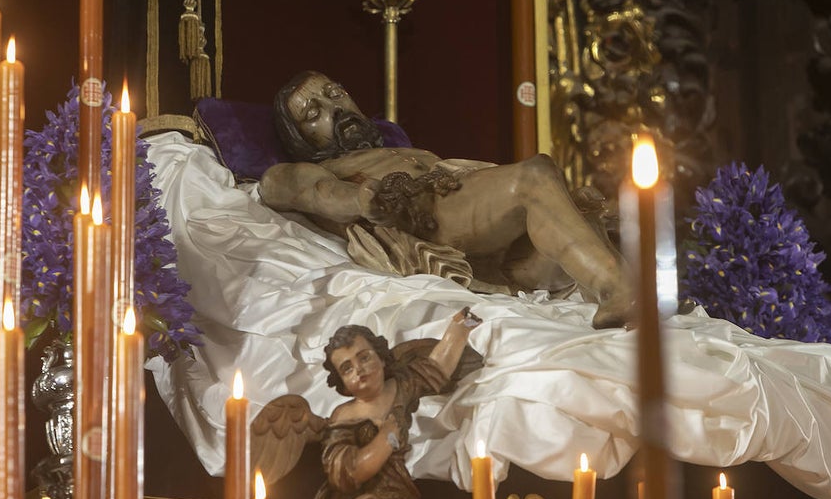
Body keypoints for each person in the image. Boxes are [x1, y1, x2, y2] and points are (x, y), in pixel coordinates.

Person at [259, 70, 634, 328]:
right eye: (314, 114)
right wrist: (361, 200)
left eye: (335, 94)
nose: (335, 108)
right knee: (534, 175)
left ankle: (627, 302)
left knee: (588, 216)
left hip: (491, 250)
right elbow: (307, 191)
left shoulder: (407, 151)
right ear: (300, 139)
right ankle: (621, 290)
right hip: (433, 218)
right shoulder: (308, 169)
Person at [294, 309, 482, 499]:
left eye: (364, 358)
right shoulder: (344, 416)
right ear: (342, 384)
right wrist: (385, 438)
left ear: (382, 358)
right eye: (347, 368)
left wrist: (459, 328)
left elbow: (436, 368)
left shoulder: (399, 388)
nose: (359, 369)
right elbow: (349, 474)